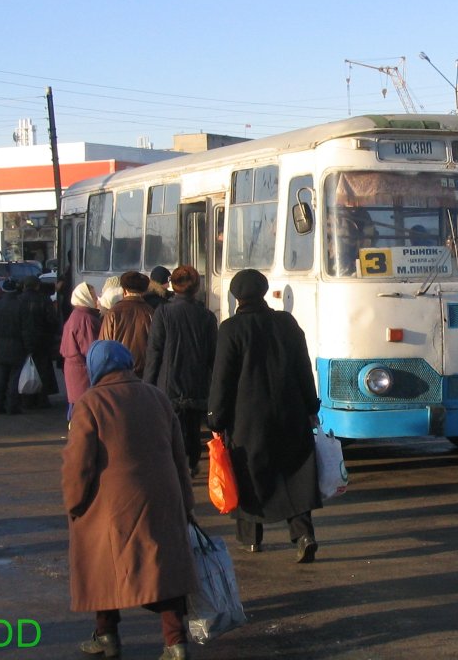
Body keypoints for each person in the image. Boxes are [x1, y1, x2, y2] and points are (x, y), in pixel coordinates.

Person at [63, 340, 199, 660]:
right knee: (161, 570)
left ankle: (107, 634)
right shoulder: (158, 397)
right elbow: (180, 456)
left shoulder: (90, 403)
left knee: (102, 567)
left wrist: (75, 503)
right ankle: (175, 641)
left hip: (111, 503)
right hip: (162, 498)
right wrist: (186, 503)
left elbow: (79, 463)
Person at [207, 269, 322, 562]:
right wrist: (311, 407)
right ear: (263, 291)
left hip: (247, 418)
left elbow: (223, 379)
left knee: (248, 474)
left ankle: (252, 539)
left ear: (236, 296)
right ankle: (304, 534)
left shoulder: (231, 329)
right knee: (294, 473)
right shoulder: (286, 322)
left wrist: (216, 419)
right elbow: (303, 368)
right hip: (290, 411)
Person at [144, 266, 218, 476]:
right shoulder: (207, 316)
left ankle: (175, 463)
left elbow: (155, 351)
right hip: (196, 382)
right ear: (196, 288)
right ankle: (192, 461)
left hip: (168, 382)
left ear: (174, 286)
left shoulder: (164, 312)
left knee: (170, 426)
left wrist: (148, 385)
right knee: (193, 425)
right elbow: (213, 355)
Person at [59, 282, 102, 421]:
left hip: (75, 369)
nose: (97, 299)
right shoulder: (86, 318)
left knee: (76, 406)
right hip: (83, 371)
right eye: (93, 296)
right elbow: (91, 349)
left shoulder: (77, 314)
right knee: (83, 410)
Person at [98, 271, 154, 377]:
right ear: (144, 291)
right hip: (144, 372)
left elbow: (104, 344)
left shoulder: (113, 312)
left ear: (124, 290)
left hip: (118, 371)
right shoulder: (150, 312)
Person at [18, 275, 60, 408]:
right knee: (42, 369)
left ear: (24, 286)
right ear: (37, 286)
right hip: (42, 339)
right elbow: (52, 320)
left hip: (23, 339)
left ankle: (26, 398)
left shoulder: (18, 300)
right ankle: (42, 398)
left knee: (25, 368)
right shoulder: (44, 300)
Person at [0, 279, 25, 415]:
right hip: (17, 346)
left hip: (0, 345)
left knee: (0, 378)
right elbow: (26, 329)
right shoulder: (21, 306)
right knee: (15, 378)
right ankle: (13, 406)